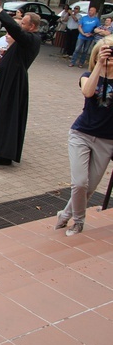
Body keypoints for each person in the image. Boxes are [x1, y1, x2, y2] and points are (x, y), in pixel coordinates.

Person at [56, 38, 113, 236]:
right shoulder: (88, 75)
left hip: (107, 141)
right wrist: (100, 65)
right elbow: (88, 92)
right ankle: (78, 221)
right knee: (80, 183)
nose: (109, 57)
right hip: (81, 134)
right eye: (104, 53)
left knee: (89, 188)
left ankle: (65, 214)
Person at [0, 0, 41, 166]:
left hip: (14, 82)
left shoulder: (31, 39)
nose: (21, 25)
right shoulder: (26, 37)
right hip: (7, 80)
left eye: (24, 23)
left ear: (31, 26)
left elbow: (14, 28)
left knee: (8, 114)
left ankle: (5, 154)